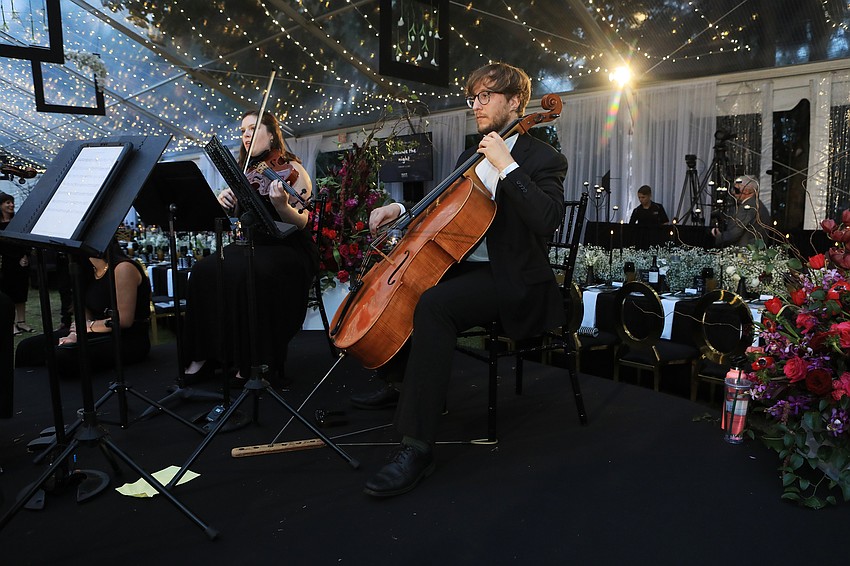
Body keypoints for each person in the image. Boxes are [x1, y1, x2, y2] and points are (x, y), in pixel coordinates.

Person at [355, 62, 567, 497]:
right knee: (411, 285)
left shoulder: (544, 158)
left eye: (486, 96)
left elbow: (548, 220)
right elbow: (445, 211)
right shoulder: (469, 156)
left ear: (515, 101)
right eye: (473, 97)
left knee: (435, 305)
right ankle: (404, 384)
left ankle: (417, 448)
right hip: (465, 266)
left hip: (512, 276)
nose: (476, 105)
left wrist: (508, 167)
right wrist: (401, 211)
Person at [181, 110, 318, 386]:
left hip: (287, 247)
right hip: (251, 244)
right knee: (203, 270)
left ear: (272, 135)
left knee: (251, 273)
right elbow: (240, 219)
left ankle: (254, 361)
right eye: (243, 130)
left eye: (253, 129)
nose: (246, 135)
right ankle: (206, 355)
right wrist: (225, 200)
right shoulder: (244, 172)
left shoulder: (292, 168)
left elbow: (302, 221)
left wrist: (281, 205)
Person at [15, 236, 152, 378]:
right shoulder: (88, 270)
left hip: (128, 339)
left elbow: (123, 320)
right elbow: (85, 312)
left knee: (62, 355)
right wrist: (74, 335)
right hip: (94, 331)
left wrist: (86, 327)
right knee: (26, 348)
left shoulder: (123, 268)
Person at [0, 191, 34, 335]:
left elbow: (25, 239)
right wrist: (17, 258)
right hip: (7, 263)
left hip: (23, 262)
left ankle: (22, 322)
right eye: (7, 202)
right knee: (10, 294)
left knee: (21, 293)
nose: (11, 205)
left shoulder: (18, 221)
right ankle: (12, 324)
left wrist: (25, 255)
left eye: (12, 202)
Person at [711, 175, 770, 247]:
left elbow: (735, 233)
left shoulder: (749, 207)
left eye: (736, 190)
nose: (733, 192)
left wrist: (718, 236)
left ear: (747, 191)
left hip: (746, 250)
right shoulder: (756, 204)